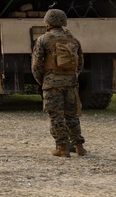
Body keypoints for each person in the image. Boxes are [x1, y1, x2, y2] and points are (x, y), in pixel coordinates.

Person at [32, 9, 86, 157]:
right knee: (72, 115)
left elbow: (36, 65)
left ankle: (62, 147)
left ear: (48, 23)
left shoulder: (43, 40)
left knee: (55, 116)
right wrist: (71, 77)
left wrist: (43, 80)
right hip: (71, 83)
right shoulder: (73, 39)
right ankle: (79, 146)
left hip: (51, 83)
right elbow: (80, 63)